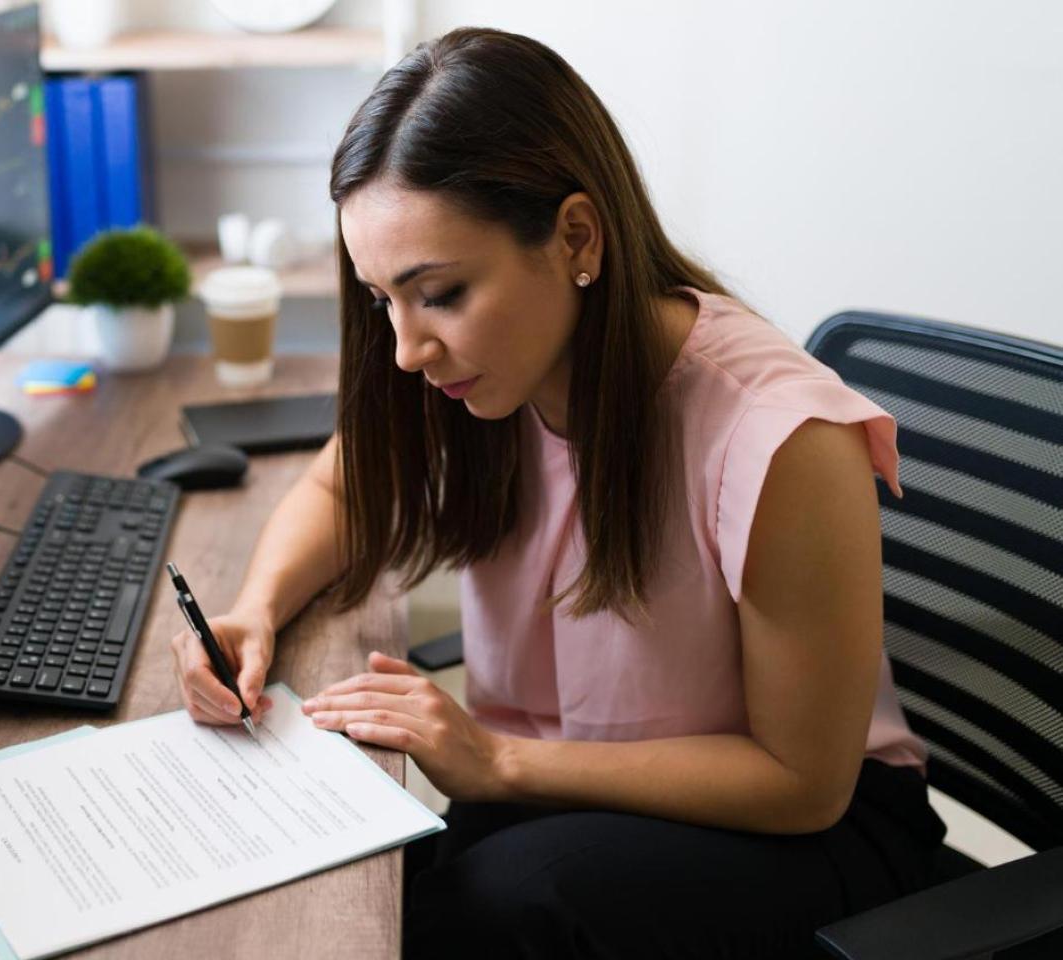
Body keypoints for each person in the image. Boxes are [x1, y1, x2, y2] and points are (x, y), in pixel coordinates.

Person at [167, 26, 946, 958]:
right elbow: (347, 483)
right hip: (564, 787)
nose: (408, 349)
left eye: (441, 293)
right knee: (339, 882)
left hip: (811, 826)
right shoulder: (476, 369)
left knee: (483, 908)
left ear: (576, 235)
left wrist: (496, 759)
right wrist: (255, 609)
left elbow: (801, 782)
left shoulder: (781, 440)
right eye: (383, 301)